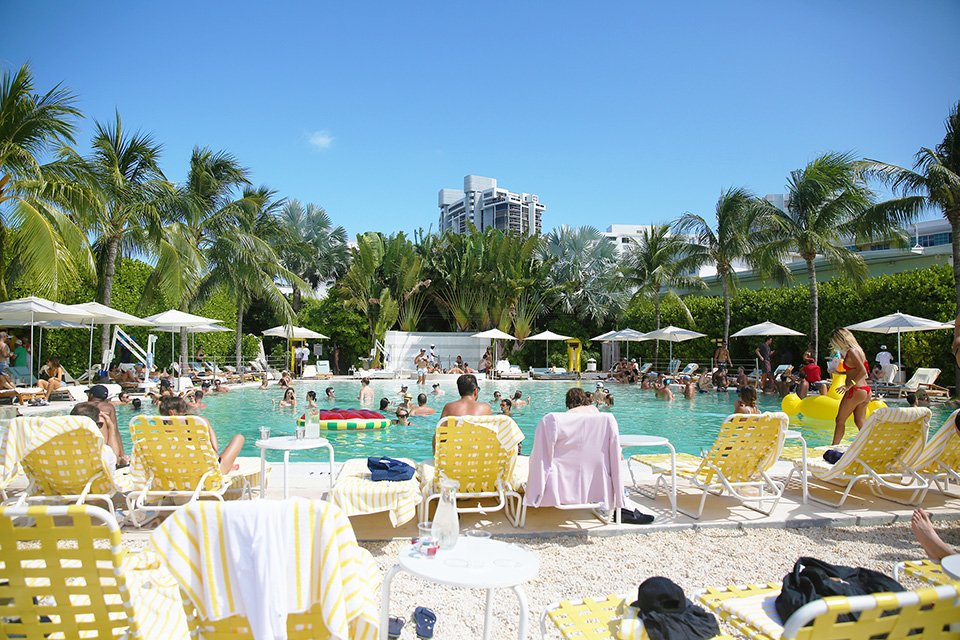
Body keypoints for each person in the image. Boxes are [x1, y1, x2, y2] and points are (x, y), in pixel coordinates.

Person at [159, 395, 243, 475]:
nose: (166, 422)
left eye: (165, 420)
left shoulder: (165, 433)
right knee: (239, 438)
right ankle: (228, 466)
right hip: (211, 471)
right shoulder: (201, 420)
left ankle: (228, 465)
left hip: (182, 472)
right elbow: (215, 448)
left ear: (171, 413)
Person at [829, 327, 871, 446]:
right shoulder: (858, 351)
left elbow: (862, 371)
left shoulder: (851, 352)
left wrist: (848, 386)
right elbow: (857, 371)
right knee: (860, 421)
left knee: (840, 420)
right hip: (865, 390)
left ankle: (833, 447)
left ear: (840, 340)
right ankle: (868, 445)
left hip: (855, 390)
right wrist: (839, 373)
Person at [70, 402, 121, 472]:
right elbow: (115, 462)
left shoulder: (58, 447)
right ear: (94, 425)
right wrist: (111, 427)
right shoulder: (102, 451)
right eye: (100, 425)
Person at [83, 385, 126, 465]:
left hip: (84, 445)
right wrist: (122, 454)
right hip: (103, 446)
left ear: (91, 396)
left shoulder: (81, 407)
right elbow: (115, 431)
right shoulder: (108, 407)